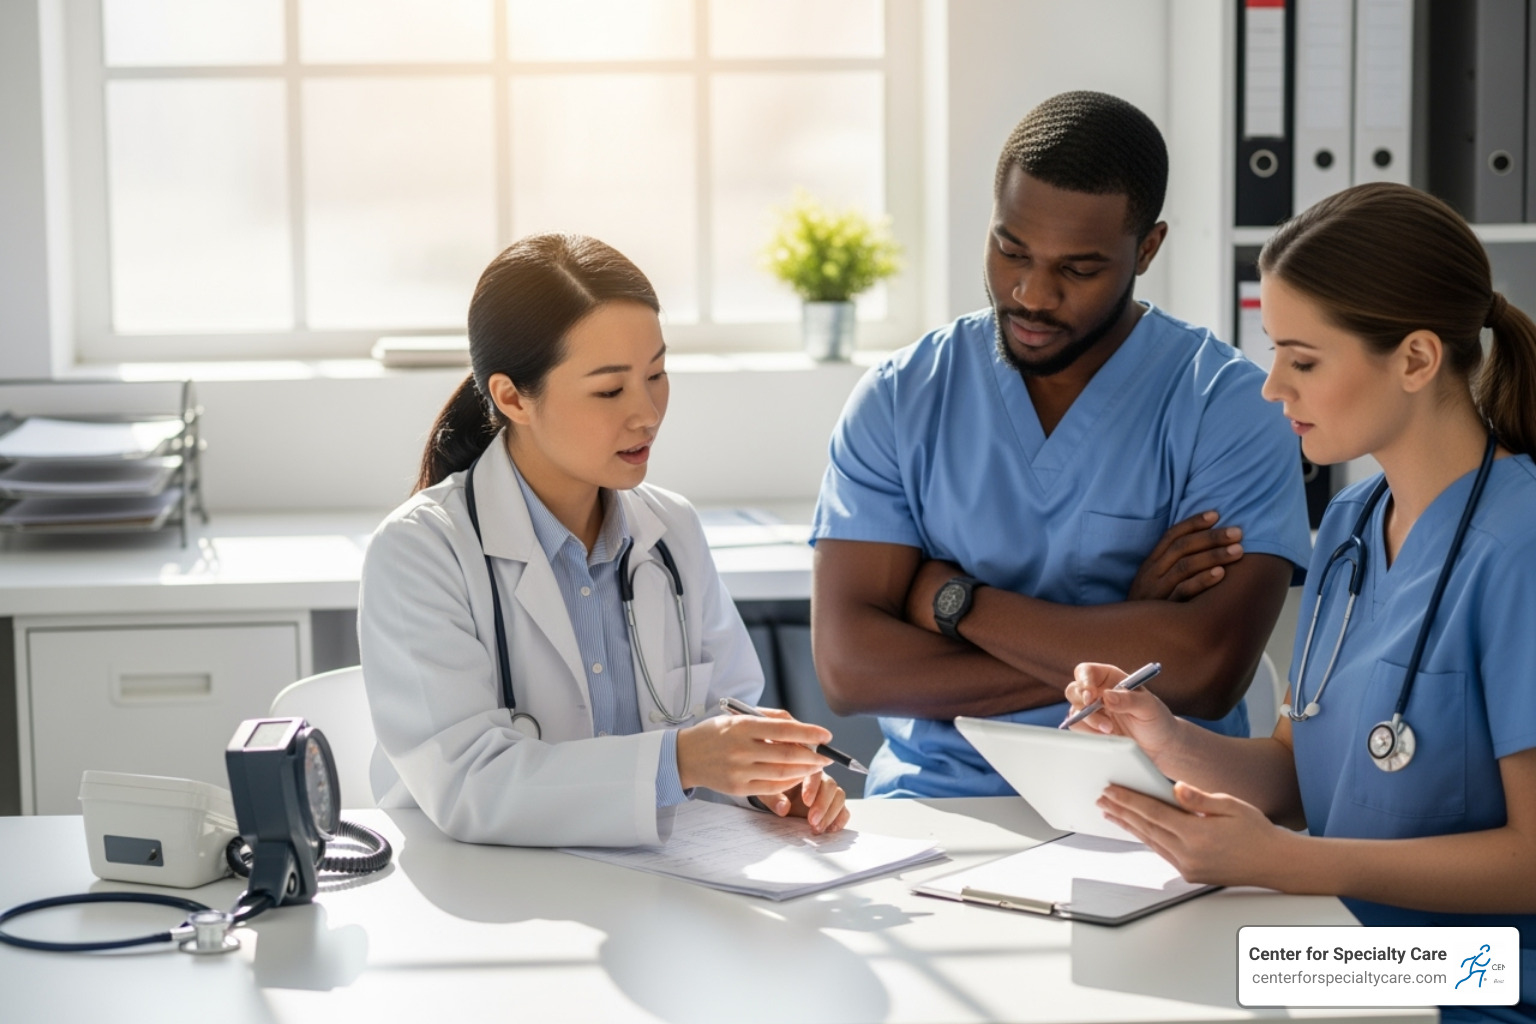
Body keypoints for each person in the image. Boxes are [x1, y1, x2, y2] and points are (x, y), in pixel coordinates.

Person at [1067, 183, 1536, 1023]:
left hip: (1475, 973)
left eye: (1304, 360)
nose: (1272, 387)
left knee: (1174, 989)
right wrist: (1165, 737)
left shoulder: (1521, 546)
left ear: (1416, 360)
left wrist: (1288, 863)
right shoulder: (1351, 526)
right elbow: (1297, 777)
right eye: (1274, 352)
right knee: (1103, 970)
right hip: (1344, 942)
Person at [811, 90, 1312, 798]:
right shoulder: (901, 397)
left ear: (1147, 249)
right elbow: (850, 672)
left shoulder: (1228, 408)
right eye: (1010, 250)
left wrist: (955, 604)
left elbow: (1207, 671)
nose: (1032, 294)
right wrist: (1121, 639)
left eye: (1078, 269)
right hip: (937, 806)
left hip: (1156, 809)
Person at [358, 233, 849, 847]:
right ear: (512, 397)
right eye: (610, 390)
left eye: (657, 374)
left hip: (656, 886)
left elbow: (724, 711)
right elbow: (468, 783)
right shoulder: (421, 551)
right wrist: (681, 760)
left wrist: (764, 779)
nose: (648, 413)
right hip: (485, 888)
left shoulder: (671, 530)